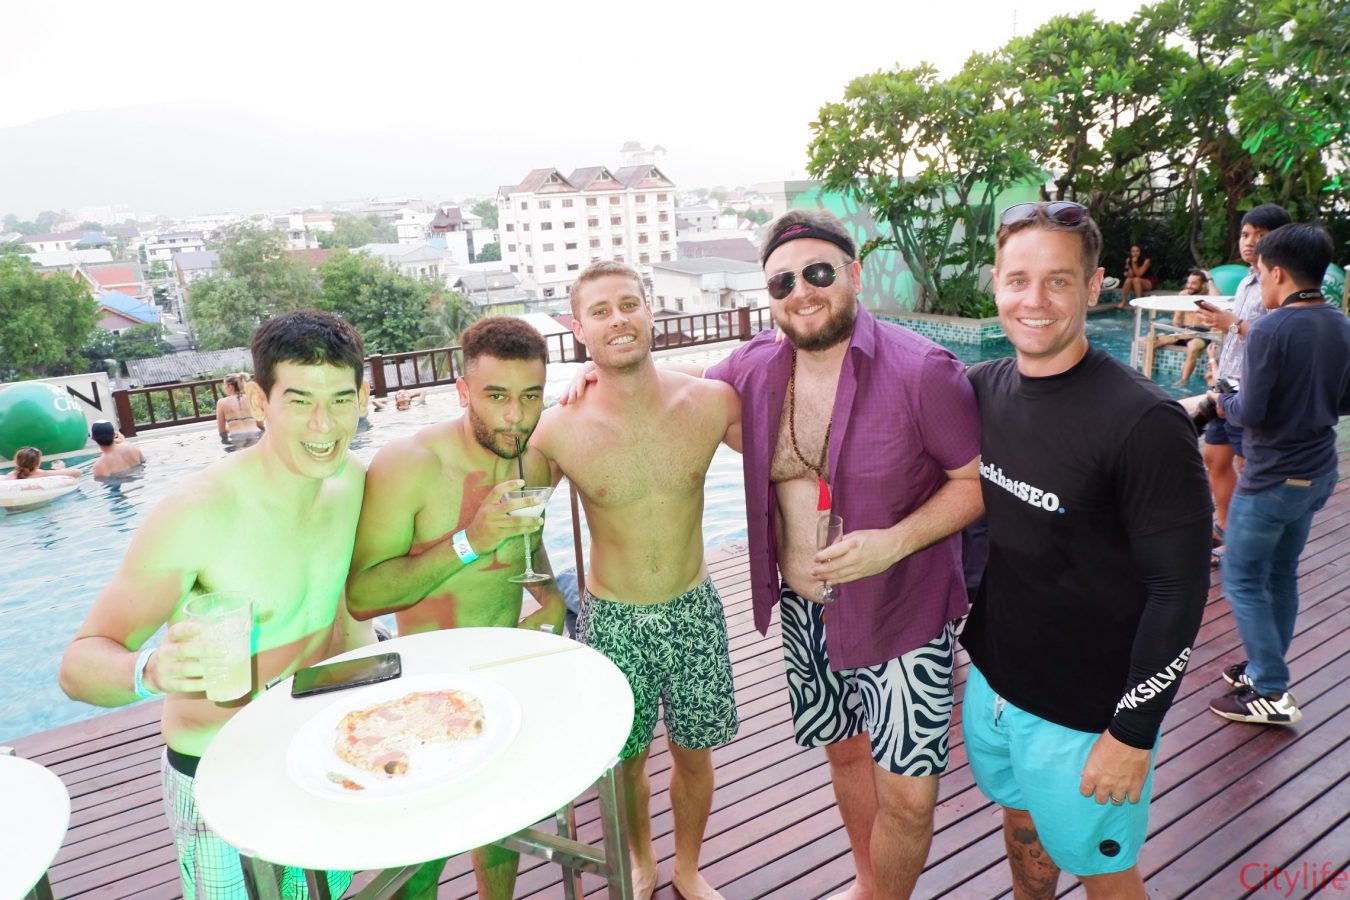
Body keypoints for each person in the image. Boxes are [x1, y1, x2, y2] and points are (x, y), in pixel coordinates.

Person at [705, 210, 982, 900]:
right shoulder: (751, 370)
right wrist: (593, 383)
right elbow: (676, 398)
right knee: (847, 754)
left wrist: (895, 541)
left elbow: (976, 484)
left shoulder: (923, 371)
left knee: (910, 800)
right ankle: (869, 885)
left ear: (854, 275)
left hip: (900, 615)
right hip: (806, 612)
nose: (801, 291)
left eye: (819, 272)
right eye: (782, 282)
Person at [60, 310, 374, 899]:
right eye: (300, 400)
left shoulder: (351, 480)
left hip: (315, 744)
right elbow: (78, 667)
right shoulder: (199, 513)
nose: (323, 423)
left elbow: (343, 608)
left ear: (361, 398)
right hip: (215, 764)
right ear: (259, 402)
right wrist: (151, 670)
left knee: (326, 893)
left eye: (339, 400)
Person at [962, 201, 1211, 899]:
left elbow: (1179, 590)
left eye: (1058, 281)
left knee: (1104, 872)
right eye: (1018, 280)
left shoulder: (1143, 422)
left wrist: (1133, 731)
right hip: (994, 683)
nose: (1034, 300)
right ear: (996, 284)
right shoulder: (982, 390)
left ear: (1094, 285)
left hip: (1086, 713)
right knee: (1021, 824)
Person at [529, 261, 741, 900]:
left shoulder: (709, 402)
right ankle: (641, 858)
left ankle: (687, 866)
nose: (618, 319)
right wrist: (545, 594)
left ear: (650, 311)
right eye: (600, 311)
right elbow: (515, 521)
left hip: (694, 607)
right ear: (578, 330)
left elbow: (786, 434)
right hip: (613, 619)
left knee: (695, 753)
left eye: (629, 304)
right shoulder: (558, 428)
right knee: (626, 760)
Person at [346, 316, 566, 900]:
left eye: (530, 397)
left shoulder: (531, 461)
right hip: (426, 690)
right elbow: (364, 597)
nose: (515, 416)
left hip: (507, 675)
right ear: (463, 391)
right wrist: (471, 539)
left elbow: (526, 545)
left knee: (500, 829)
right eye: (496, 397)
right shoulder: (409, 464)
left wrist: (550, 598)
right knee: (422, 859)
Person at [1207, 224, 1350, 725]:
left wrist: (1221, 398)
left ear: (1279, 273)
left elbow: (1250, 412)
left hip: (1272, 479)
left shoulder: (1270, 328)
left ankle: (1270, 688)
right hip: (1318, 472)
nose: (1261, 282)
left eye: (1262, 272)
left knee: (1242, 577)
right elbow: (1344, 402)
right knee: (1280, 573)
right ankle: (1262, 671)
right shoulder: (1341, 324)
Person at [1196, 204, 1293, 547]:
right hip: (1226, 386)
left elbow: (1281, 338)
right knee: (1214, 456)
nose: (1250, 241)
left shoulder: (1282, 282)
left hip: (1251, 390)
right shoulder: (1246, 281)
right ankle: (1224, 525)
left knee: (1246, 461)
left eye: (1261, 235)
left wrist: (1233, 324)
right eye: (1245, 234)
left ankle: (1248, 538)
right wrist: (1218, 351)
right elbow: (1240, 333)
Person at [1156, 268, 1221, 386]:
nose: (1189, 286)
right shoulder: (1184, 295)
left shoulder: (1210, 296)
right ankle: (1145, 376)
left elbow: (1217, 299)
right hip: (1184, 330)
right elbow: (1176, 319)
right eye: (1188, 282)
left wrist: (1210, 279)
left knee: (1192, 347)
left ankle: (1183, 380)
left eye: (1194, 283)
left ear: (1203, 284)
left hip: (1203, 333)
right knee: (1152, 341)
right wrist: (1178, 334)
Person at [216, 372, 262, 449]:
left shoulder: (221, 403)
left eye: (224, 385)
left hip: (237, 437)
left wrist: (232, 426)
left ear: (230, 386)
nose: (224, 388)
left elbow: (221, 430)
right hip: (256, 434)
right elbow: (260, 425)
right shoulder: (251, 398)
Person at [6, 446, 82, 480]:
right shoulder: (43, 474)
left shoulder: (11, 475)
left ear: (17, 462)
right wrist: (61, 470)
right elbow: (77, 472)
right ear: (38, 463)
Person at [1117, 244, 1153, 310]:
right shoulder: (1129, 260)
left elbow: (1139, 274)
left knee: (1136, 279)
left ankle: (1138, 303)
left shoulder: (1146, 261)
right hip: (1135, 282)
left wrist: (1134, 263)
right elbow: (1131, 275)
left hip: (1148, 281)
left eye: (1137, 251)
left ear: (1140, 252)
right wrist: (1128, 267)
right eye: (1133, 251)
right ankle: (1123, 301)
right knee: (1128, 279)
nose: (1135, 253)